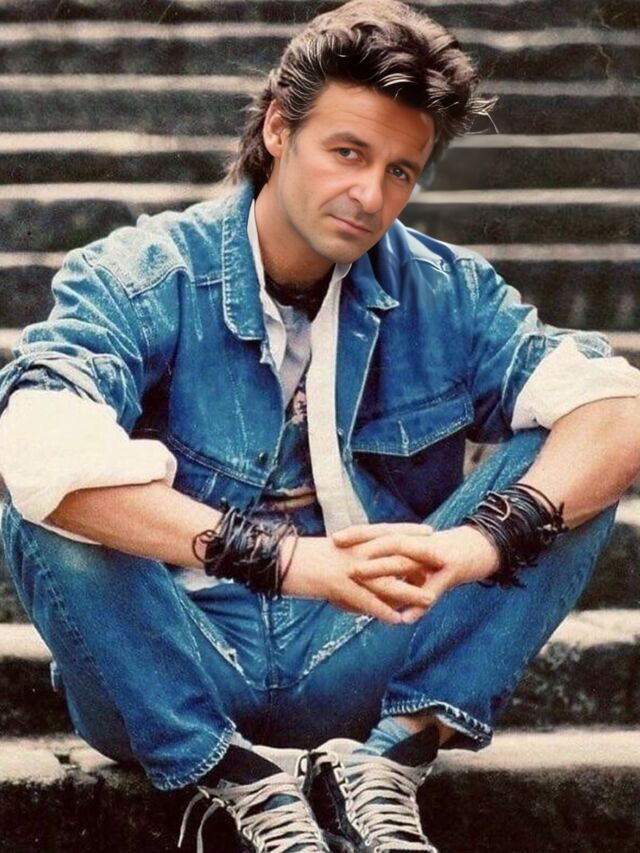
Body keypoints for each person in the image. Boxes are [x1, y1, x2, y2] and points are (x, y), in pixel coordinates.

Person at [1, 1, 639, 851]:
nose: (370, 195)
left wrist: (477, 544)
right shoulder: (145, 275)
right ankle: (231, 778)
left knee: (571, 467)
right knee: (47, 488)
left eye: (400, 171)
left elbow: (617, 411)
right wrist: (286, 560)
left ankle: (389, 759)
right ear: (278, 128)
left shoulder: (444, 291)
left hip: (364, 649)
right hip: (173, 660)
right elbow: (37, 441)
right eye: (347, 152)